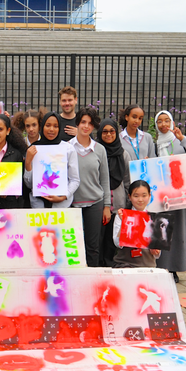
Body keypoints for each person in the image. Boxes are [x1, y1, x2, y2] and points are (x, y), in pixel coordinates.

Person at [153, 109, 186, 283]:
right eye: (159, 121)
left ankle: (174, 267)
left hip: (181, 190)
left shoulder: (180, 142)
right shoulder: (154, 145)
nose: (163, 124)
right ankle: (162, 266)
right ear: (155, 125)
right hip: (162, 191)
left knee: (179, 229)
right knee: (162, 227)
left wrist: (183, 138)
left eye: (167, 120)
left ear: (172, 123)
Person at [69, 107, 111, 267]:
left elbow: (105, 179)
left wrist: (106, 206)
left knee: (93, 247)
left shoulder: (100, 150)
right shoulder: (67, 148)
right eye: (83, 122)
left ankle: (91, 278)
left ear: (94, 127)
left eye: (90, 123)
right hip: (72, 204)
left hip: (95, 203)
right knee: (73, 246)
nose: (86, 126)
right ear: (77, 124)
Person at [24, 112, 80, 209]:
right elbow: (29, 184)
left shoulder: (68, 149)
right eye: (48, 125)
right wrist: (28, 162)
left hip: (62, 206)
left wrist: (64, 196)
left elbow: (75, 180)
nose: (51, 129)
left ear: (59, 128)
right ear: (42, 127)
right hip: (38, 206)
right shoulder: (33, 149)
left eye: (56, 126)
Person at [97, 118, 131, 267]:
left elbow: (127, 181)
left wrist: (127, 205)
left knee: (112, 242)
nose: (108, 134)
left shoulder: (123, 155)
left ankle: (110, 268)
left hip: (117, 205)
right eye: (105, 131)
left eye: (112, 131)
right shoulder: (96, 152)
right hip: (99, 205)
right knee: (98, 240)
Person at [113, 180, 161, 268]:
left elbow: (157, 252)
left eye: (144, 196)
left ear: (149, 196)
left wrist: (155, 251)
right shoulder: (121, 215)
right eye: (136, 196)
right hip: (125, 264)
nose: (140, 200)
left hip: (148, 265)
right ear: (129, 197)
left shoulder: (155, 218)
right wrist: (124, 221)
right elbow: (117, 243)